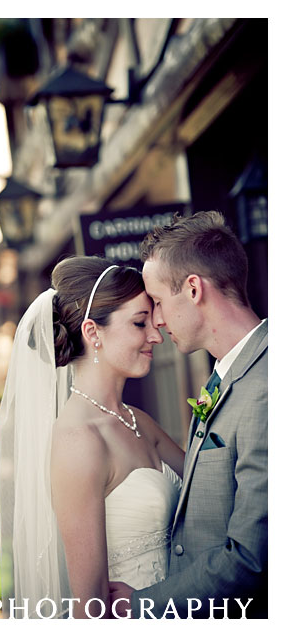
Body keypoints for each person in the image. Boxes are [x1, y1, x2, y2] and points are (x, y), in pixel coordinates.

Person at [0, 256, 185, 618]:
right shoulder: (78, 440)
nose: (156, 335)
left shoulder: (138, 420)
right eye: (139, 323)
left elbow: (207, 492)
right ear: (92, 332)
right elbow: (90, 607)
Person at [110, 210, 268, 619]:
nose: (158, 323)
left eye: (159, 302)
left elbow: (253, 557)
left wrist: (143, 604)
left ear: (194, 289)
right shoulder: (224, 375)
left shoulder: (269, 385)